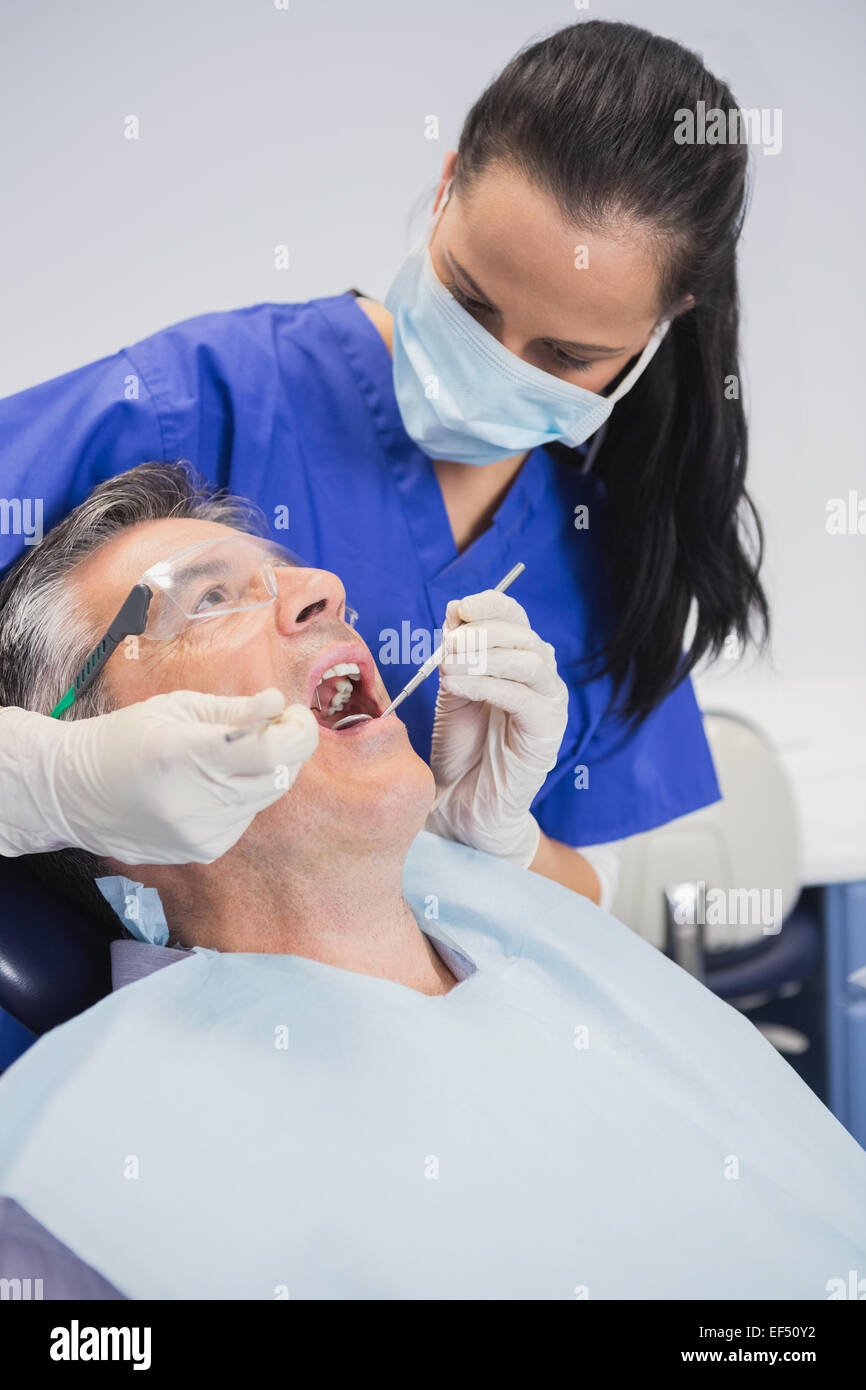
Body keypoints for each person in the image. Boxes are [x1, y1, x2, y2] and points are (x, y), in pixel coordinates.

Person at [0, 467, 861, 1302]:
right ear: (96, 766)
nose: (322, 588)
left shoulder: (494, 907)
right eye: (209, 599)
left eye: (283, 571)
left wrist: (504, 852)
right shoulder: (92, 1193)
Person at [0, 21, 769, 904]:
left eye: (563, 355)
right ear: (444, 191)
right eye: (470, 303)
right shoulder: (201, 399)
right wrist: (42, 780)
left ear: (665, 321)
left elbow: (597, 898)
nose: (499, 365)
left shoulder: (624, 546)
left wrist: (496, 842)